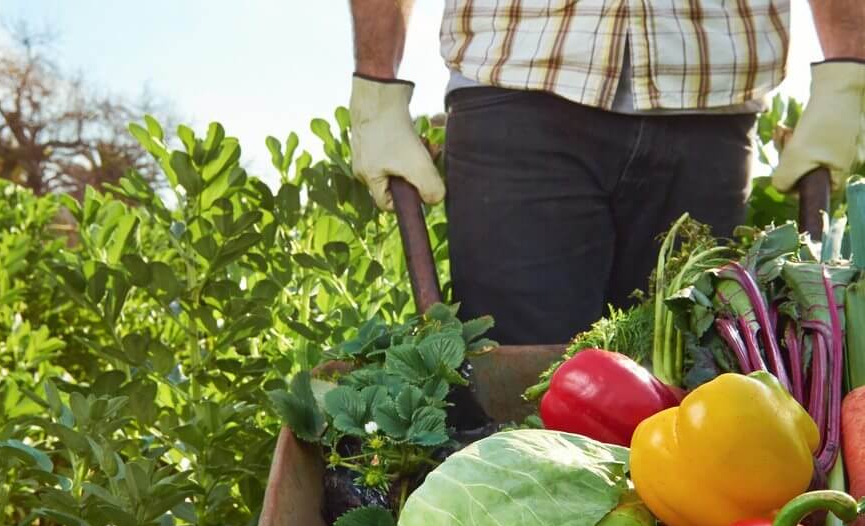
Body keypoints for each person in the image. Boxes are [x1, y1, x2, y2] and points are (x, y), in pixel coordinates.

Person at [348, 0, 865, 345]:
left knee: (695, 398)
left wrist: (847, 67)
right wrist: (376, 83)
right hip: (518, 84)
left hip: (710, 97)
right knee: (517, 423)